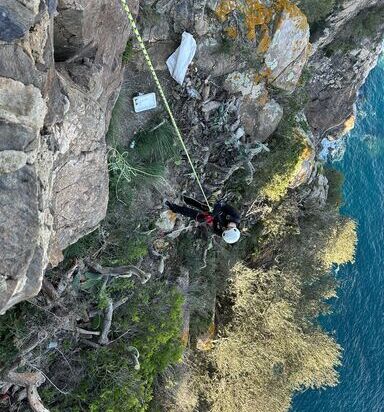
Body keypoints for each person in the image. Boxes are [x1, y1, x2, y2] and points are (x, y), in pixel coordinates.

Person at [165, 196, 241, 244]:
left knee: (197, 217)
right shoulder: (235, 215)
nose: (225, 227)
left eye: (225, 229)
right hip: (215, 207)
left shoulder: (225, 234)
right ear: (233, 228)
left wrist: (209, 221)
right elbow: (221, 204)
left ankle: (174, 208)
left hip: (214, 218)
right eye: (228, 228)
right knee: (204, 207)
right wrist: (213, 215)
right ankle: (186, 198)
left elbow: (215, 230)